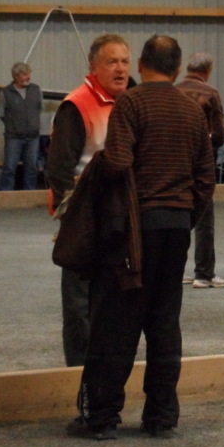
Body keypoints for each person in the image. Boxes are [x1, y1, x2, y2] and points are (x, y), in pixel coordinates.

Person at [66, 34, 215, 440]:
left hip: (136, 230)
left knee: (117, 321)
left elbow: (117, 162)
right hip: (176, 227)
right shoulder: (192, 110)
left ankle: (101, 418)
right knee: (165, 322)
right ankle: (162, 417)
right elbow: (206, 179)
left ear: (142, 64)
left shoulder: (131, 103)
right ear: (177, 66)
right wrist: (185, 216)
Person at [46, 34, 132, 367]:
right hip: (84, 221)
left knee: (113, 303)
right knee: (79, 307)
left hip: (120, 219)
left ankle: (107, 376)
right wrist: (74, 219)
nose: (120, 69)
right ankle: (79, 375)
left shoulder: (129, 102)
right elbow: (58, 170)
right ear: (93, 67)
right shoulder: (76, 106)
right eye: (112, 62)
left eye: (125, 61)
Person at [177, 53, 224, 289]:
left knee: (178, 216)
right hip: (200, 166)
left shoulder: (173, 91)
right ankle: (203, 274)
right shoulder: (210, 93)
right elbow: (218, 135)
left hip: (175, 163)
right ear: (208, 70)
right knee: (204, 218)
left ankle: (175, 269)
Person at [0, 62, 43, 191]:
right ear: (15, 76)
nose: (28, 77)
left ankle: (29, 197)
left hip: (33, 137)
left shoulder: (36, 90)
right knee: (9, 168)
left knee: (31, 168)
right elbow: (2, 114)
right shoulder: (6, 93)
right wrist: (15, 125)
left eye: (29, 73)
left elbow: (39, 109)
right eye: (24, 74)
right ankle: (6, 197)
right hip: (13, 138)